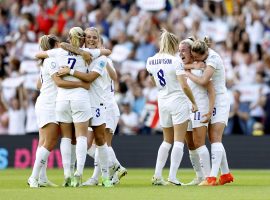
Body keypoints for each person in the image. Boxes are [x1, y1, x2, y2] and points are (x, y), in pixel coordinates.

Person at [35, 27, 100, 187]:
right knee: (81, 137)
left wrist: (65, 47)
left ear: (69, 38)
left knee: (64, 137)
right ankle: (78, 173)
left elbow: (38, 55)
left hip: (62, 99)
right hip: (80, 97)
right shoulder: (87, 52)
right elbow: (106, 52)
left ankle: (66, 175)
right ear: (83, 38)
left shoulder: (58, 53)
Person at [58, 27, 114, 187]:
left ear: (98, 39)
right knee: (77, 139)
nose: (90, 40)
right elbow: (63, 44)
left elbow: (90, 77)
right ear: (83, 39)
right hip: (80, 101)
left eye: (94, 38)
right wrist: (80, 52)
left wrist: (71, 70)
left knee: (100, 139)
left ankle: (105, 177)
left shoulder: (101, 57)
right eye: (88, 37)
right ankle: (75, 173)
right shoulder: (80, 51)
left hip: (96, 102)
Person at [146, 29, 198, 186]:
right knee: (178, 141)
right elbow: (184, 86)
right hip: (178, 100)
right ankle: (173, 176)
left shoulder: (150, 60)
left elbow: (151, 77)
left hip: (162, 100)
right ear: (173, 44)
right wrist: (193, 102)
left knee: (166, 140)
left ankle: (157, 175)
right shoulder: (176, 61)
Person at [186, 37, 234, 186]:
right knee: (214, 138)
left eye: (197, 57)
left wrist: (187, 73)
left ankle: (212, 177)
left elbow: (203, 81)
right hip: (211, 100)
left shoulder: (213, 58)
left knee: (215, 137)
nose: (194, 59)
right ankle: (225, 174)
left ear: (204, 53)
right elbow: (192, 64)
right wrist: (191, 66)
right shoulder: (204, 55)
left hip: (220, 99)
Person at [179, 37, 215, 185]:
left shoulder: (201, 66)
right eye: (179, 50)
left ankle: (209, 178)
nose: (180, 53)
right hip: (185, 108)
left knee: (199, 141)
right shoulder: (181, 67)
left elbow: (211, 90)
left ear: (191, 52)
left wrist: (210, 110)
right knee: (191, 144)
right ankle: (199, 176)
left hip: (199, 106)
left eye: (183, 50)